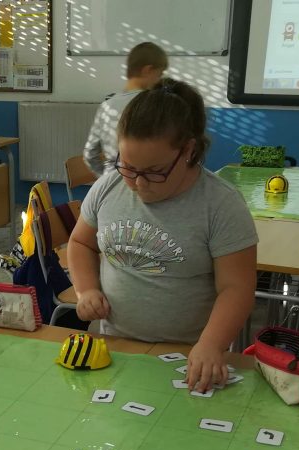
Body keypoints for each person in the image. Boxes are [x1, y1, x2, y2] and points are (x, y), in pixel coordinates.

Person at [68, 78, 258, 393]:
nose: (138, 183)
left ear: (188, 151)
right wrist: (86, 289)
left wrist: (211, 344)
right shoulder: (108, 186)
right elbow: (80, 243)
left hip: (190, 356)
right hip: (116, 347)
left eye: (155, 172)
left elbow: (236, 287)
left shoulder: (220, 204)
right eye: (128, 167)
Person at [82, 42, 168, 177]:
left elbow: (90, 154)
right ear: (148, 70)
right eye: (159, 74)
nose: (159, 80)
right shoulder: (156, 104)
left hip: (111, 179)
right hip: (146, 179)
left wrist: (105, 178)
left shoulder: (106, 106)